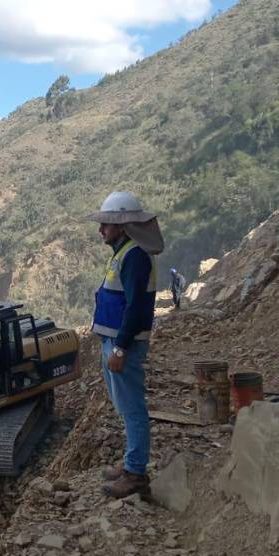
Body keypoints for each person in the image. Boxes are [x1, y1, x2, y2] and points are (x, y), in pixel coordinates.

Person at [87, 191, 163, 498]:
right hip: (115, 341)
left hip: (123, 345)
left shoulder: (134, 257)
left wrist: (120, 348)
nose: (101, 229)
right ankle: (131, 464)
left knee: (132, 409)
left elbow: (136, 309)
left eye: (107, 223)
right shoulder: (125, 253)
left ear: (123, 225)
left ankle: (135, 474)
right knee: (126, 406)